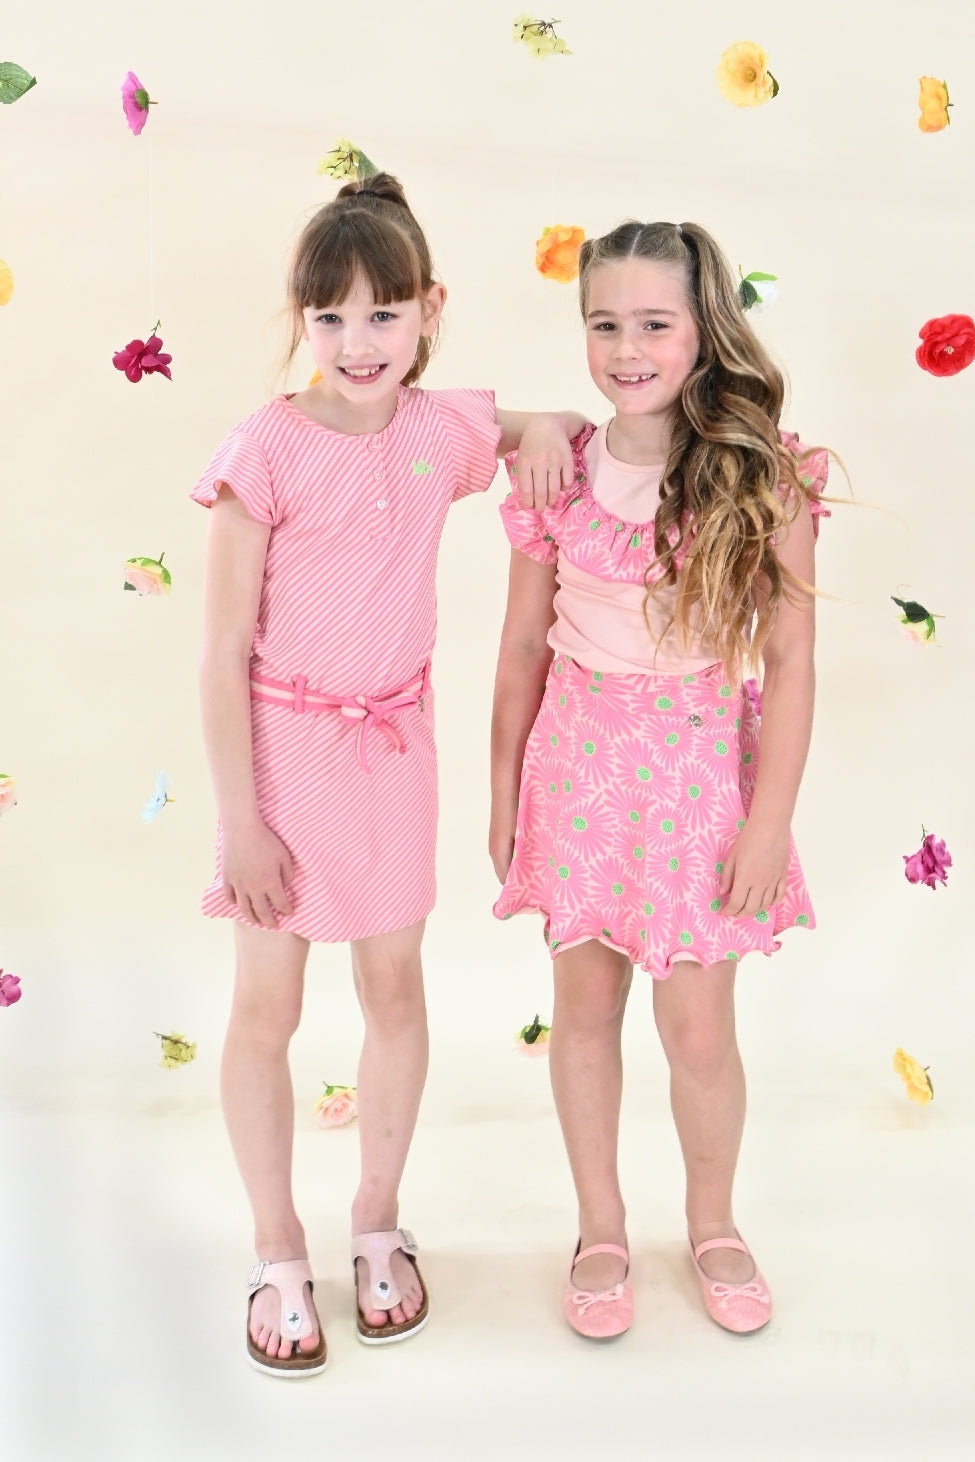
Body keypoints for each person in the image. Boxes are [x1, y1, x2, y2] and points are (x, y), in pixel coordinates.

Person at [191, 173, 584, 1376]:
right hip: (283, 759)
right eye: (331, 317)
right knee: (268, 1007)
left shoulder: (437, 430)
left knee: (395, 989)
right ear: (301, 319)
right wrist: (242, 822)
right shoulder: (266, 448)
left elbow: (543, 424)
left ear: (428, 311)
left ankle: (376, 1219)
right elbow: (219, 650)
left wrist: (546, 435)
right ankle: (276, 1245)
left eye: (384, 314)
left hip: (396, 750)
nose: (358, 342)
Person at [490, 219, 830, 1340]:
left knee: (697, 1032)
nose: (626, 349)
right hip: (577, 769)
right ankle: (600, 1228)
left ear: (703, 329)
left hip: (696, 779)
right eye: (604, 324)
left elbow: (790, 658)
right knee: (584, 1013)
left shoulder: (760, 476)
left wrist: (768, 821)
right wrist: (503, 791)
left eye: (653, 324)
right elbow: (521, 645)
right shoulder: (560, 470)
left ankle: (713, 1221)